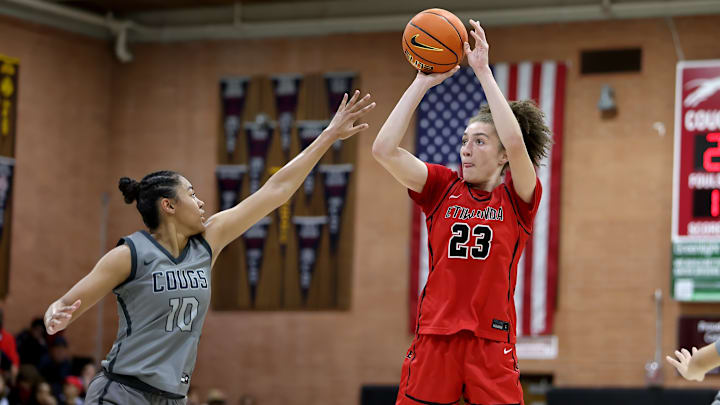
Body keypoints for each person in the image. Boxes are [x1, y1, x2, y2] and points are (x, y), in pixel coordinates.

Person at [43, 91, 375, 405]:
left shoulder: (209, 241)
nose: (201, 202)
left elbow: (277, 190)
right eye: (191, 193)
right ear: (169, 206)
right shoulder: (130, 254)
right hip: (123, 392)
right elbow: (67, 302)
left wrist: (328, 135)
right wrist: (54, 314)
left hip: (173, 397)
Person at [372, 20, 552, 405]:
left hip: (492, 341)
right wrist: (422, 81)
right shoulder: (441, 188)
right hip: (436, 337)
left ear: (502, 154)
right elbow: (384, 150)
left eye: (480, 141)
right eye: (464, 140)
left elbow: (518, 146)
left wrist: (483, 71)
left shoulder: (517, 201)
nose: (465, 149)